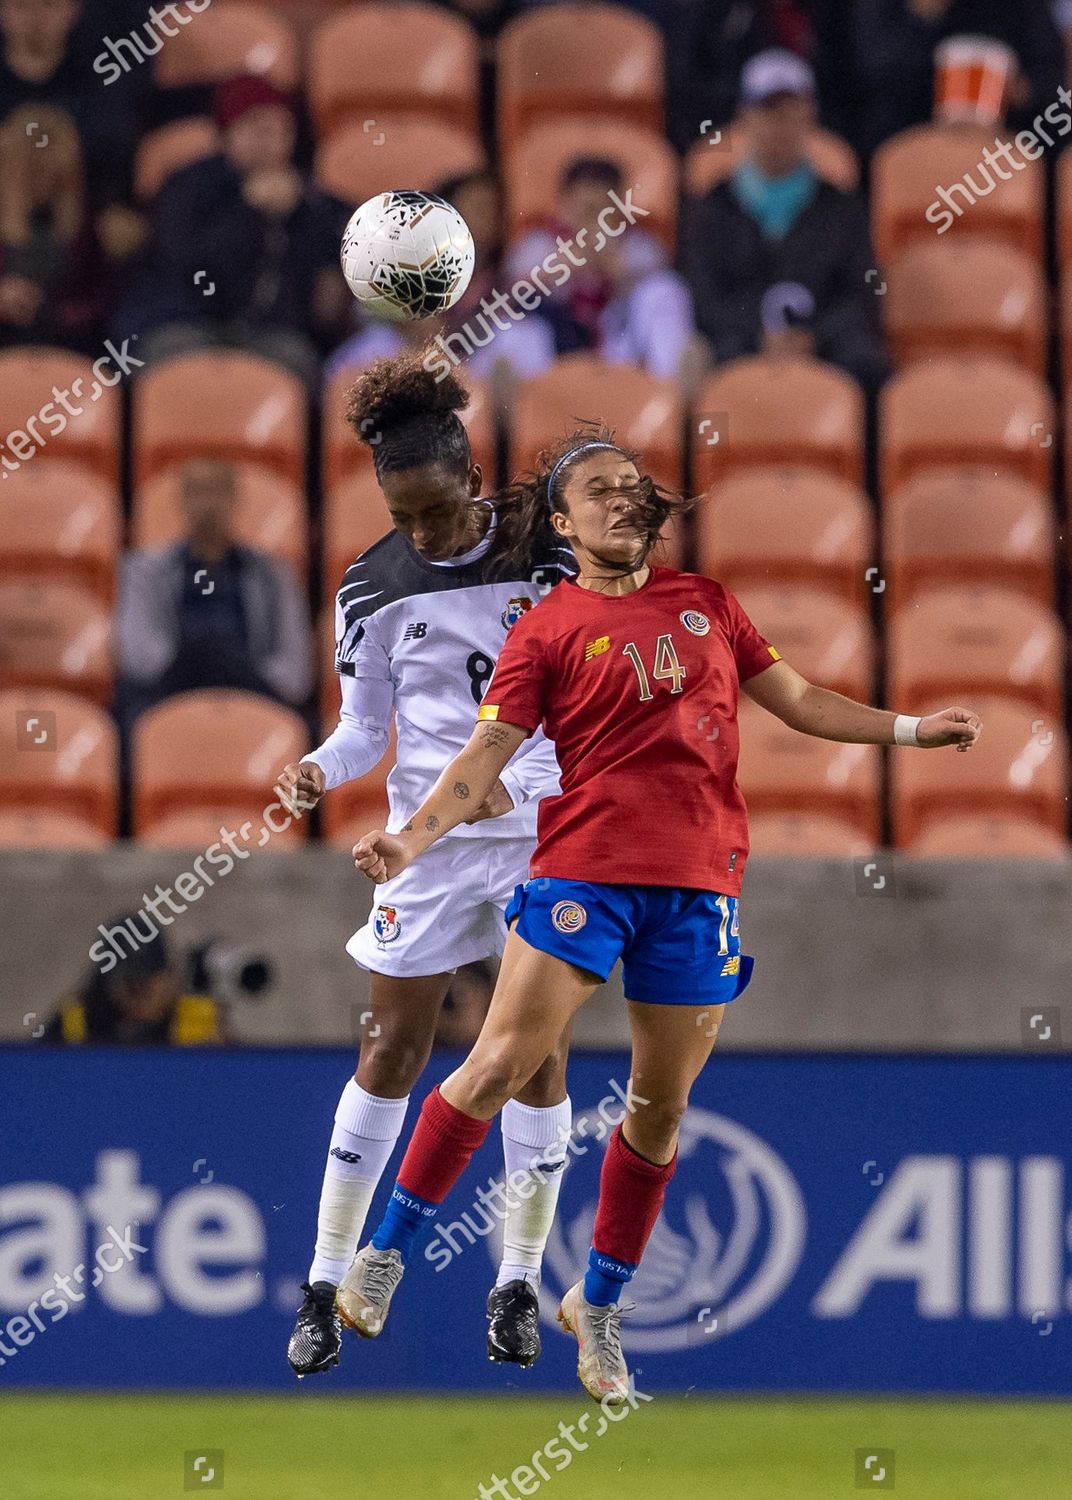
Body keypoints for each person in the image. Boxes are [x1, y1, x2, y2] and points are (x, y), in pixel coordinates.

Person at [343, 427, 982, 1403]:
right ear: (560, 521)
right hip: (580, 876)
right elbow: (480, 762)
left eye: (631, 485)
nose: (620, 498)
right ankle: (382, 1255)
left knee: (658, 1105)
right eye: (596, 490)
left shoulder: (709, 607)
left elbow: (801, 701)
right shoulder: (545, 628)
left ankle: (595, 1307)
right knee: (501, 1061)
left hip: (699, 883)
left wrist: (910, 731)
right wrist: (409, 843)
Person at [274, 350, 578, 1379]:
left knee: (532, 1055)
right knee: (392, 1049)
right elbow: (366, 730)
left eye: (435, 513)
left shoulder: (548, 553)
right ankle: (323, 1282)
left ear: (469, 477)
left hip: (541, 831)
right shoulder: (369, 588)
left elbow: (589, 707)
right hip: (426, 843)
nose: (421, 533)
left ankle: (518, 1284)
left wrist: (522, 786)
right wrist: (317, 769)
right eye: (401, 516)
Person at [682, 49, 888, 396]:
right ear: (744, 116)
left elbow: (863, 289)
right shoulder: (713, 207)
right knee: (702, 361)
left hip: (824, 344)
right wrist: (758, 335)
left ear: (810, 116)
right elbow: (703, 294)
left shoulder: (841, 207)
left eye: (790, 112)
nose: (779, 125)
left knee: (865, 363)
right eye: (768, 112)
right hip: (739, 342)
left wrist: (813, 336)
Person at [123, 73, 348, 381]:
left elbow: (341, 234)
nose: (270, 140)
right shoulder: (188, 186)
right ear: (228, 133)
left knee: (298, 362)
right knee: (167, 356)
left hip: (269, 335)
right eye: (256, 127)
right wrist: (249, 210)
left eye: (281, 130)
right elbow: (191, 266)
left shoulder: (306, 196)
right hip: (188, 322)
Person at [115, 457, 313, 719]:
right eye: (197, 491)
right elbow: (140, 657)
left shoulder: (275, 575)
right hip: (170, 691)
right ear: (181, 500)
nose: (208, 504)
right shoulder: (144, 571)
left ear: (234, 499)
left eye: (217, 491)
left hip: (253, 691)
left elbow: (294, 671)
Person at [503, 155, 698, 382]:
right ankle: (522, 409)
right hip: (554, 351)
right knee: (515, 331)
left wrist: (611, 262)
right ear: (564, 204)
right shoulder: (538, 244)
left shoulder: (639, 244)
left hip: (620, 349)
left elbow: (657, 294)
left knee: (664, 289)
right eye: (586, 208)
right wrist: (567, 262)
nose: (592, 218)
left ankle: (673, 395)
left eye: (602, 208)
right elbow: (511, 294)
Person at [0, 102, 115, 351]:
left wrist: (57, 313)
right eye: (35, 173)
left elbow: (103, 297)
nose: (46, 183)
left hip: (68, 342)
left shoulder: (88, 218)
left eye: (56, 175)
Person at [40, 918, 224, 1046]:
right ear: (108, 982)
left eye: (152, 978)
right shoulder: (75, 1022)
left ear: (170, 976)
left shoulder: (197, 1021)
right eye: (132, 982)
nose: (143, 992)